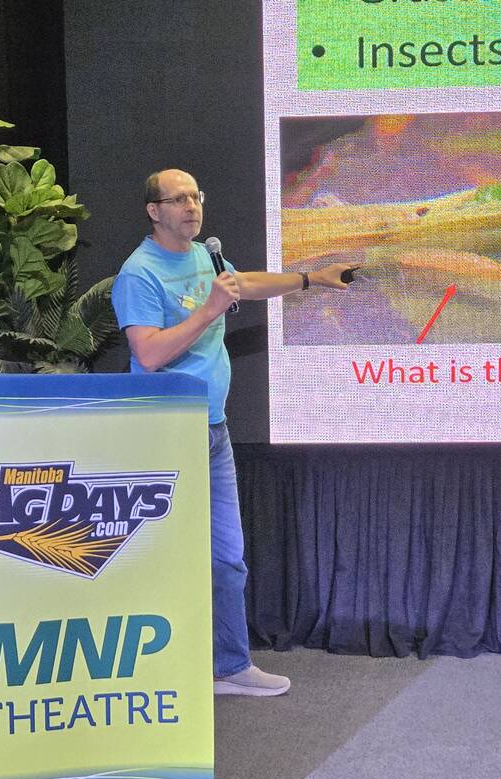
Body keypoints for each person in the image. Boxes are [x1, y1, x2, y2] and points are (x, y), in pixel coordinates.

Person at [111, 168, 352, 696]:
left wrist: (310, 278)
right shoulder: (139, 273)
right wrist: (209, 310)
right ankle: (149, 671)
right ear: (154, 211)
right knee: (163, 555)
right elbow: (148, 353)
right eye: (178, 200)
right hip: (165, 434)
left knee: (227, 555)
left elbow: (242, 285)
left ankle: (229, 665)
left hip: (213, 430)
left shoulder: (204, 255)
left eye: (196, 196)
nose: (192, 208)